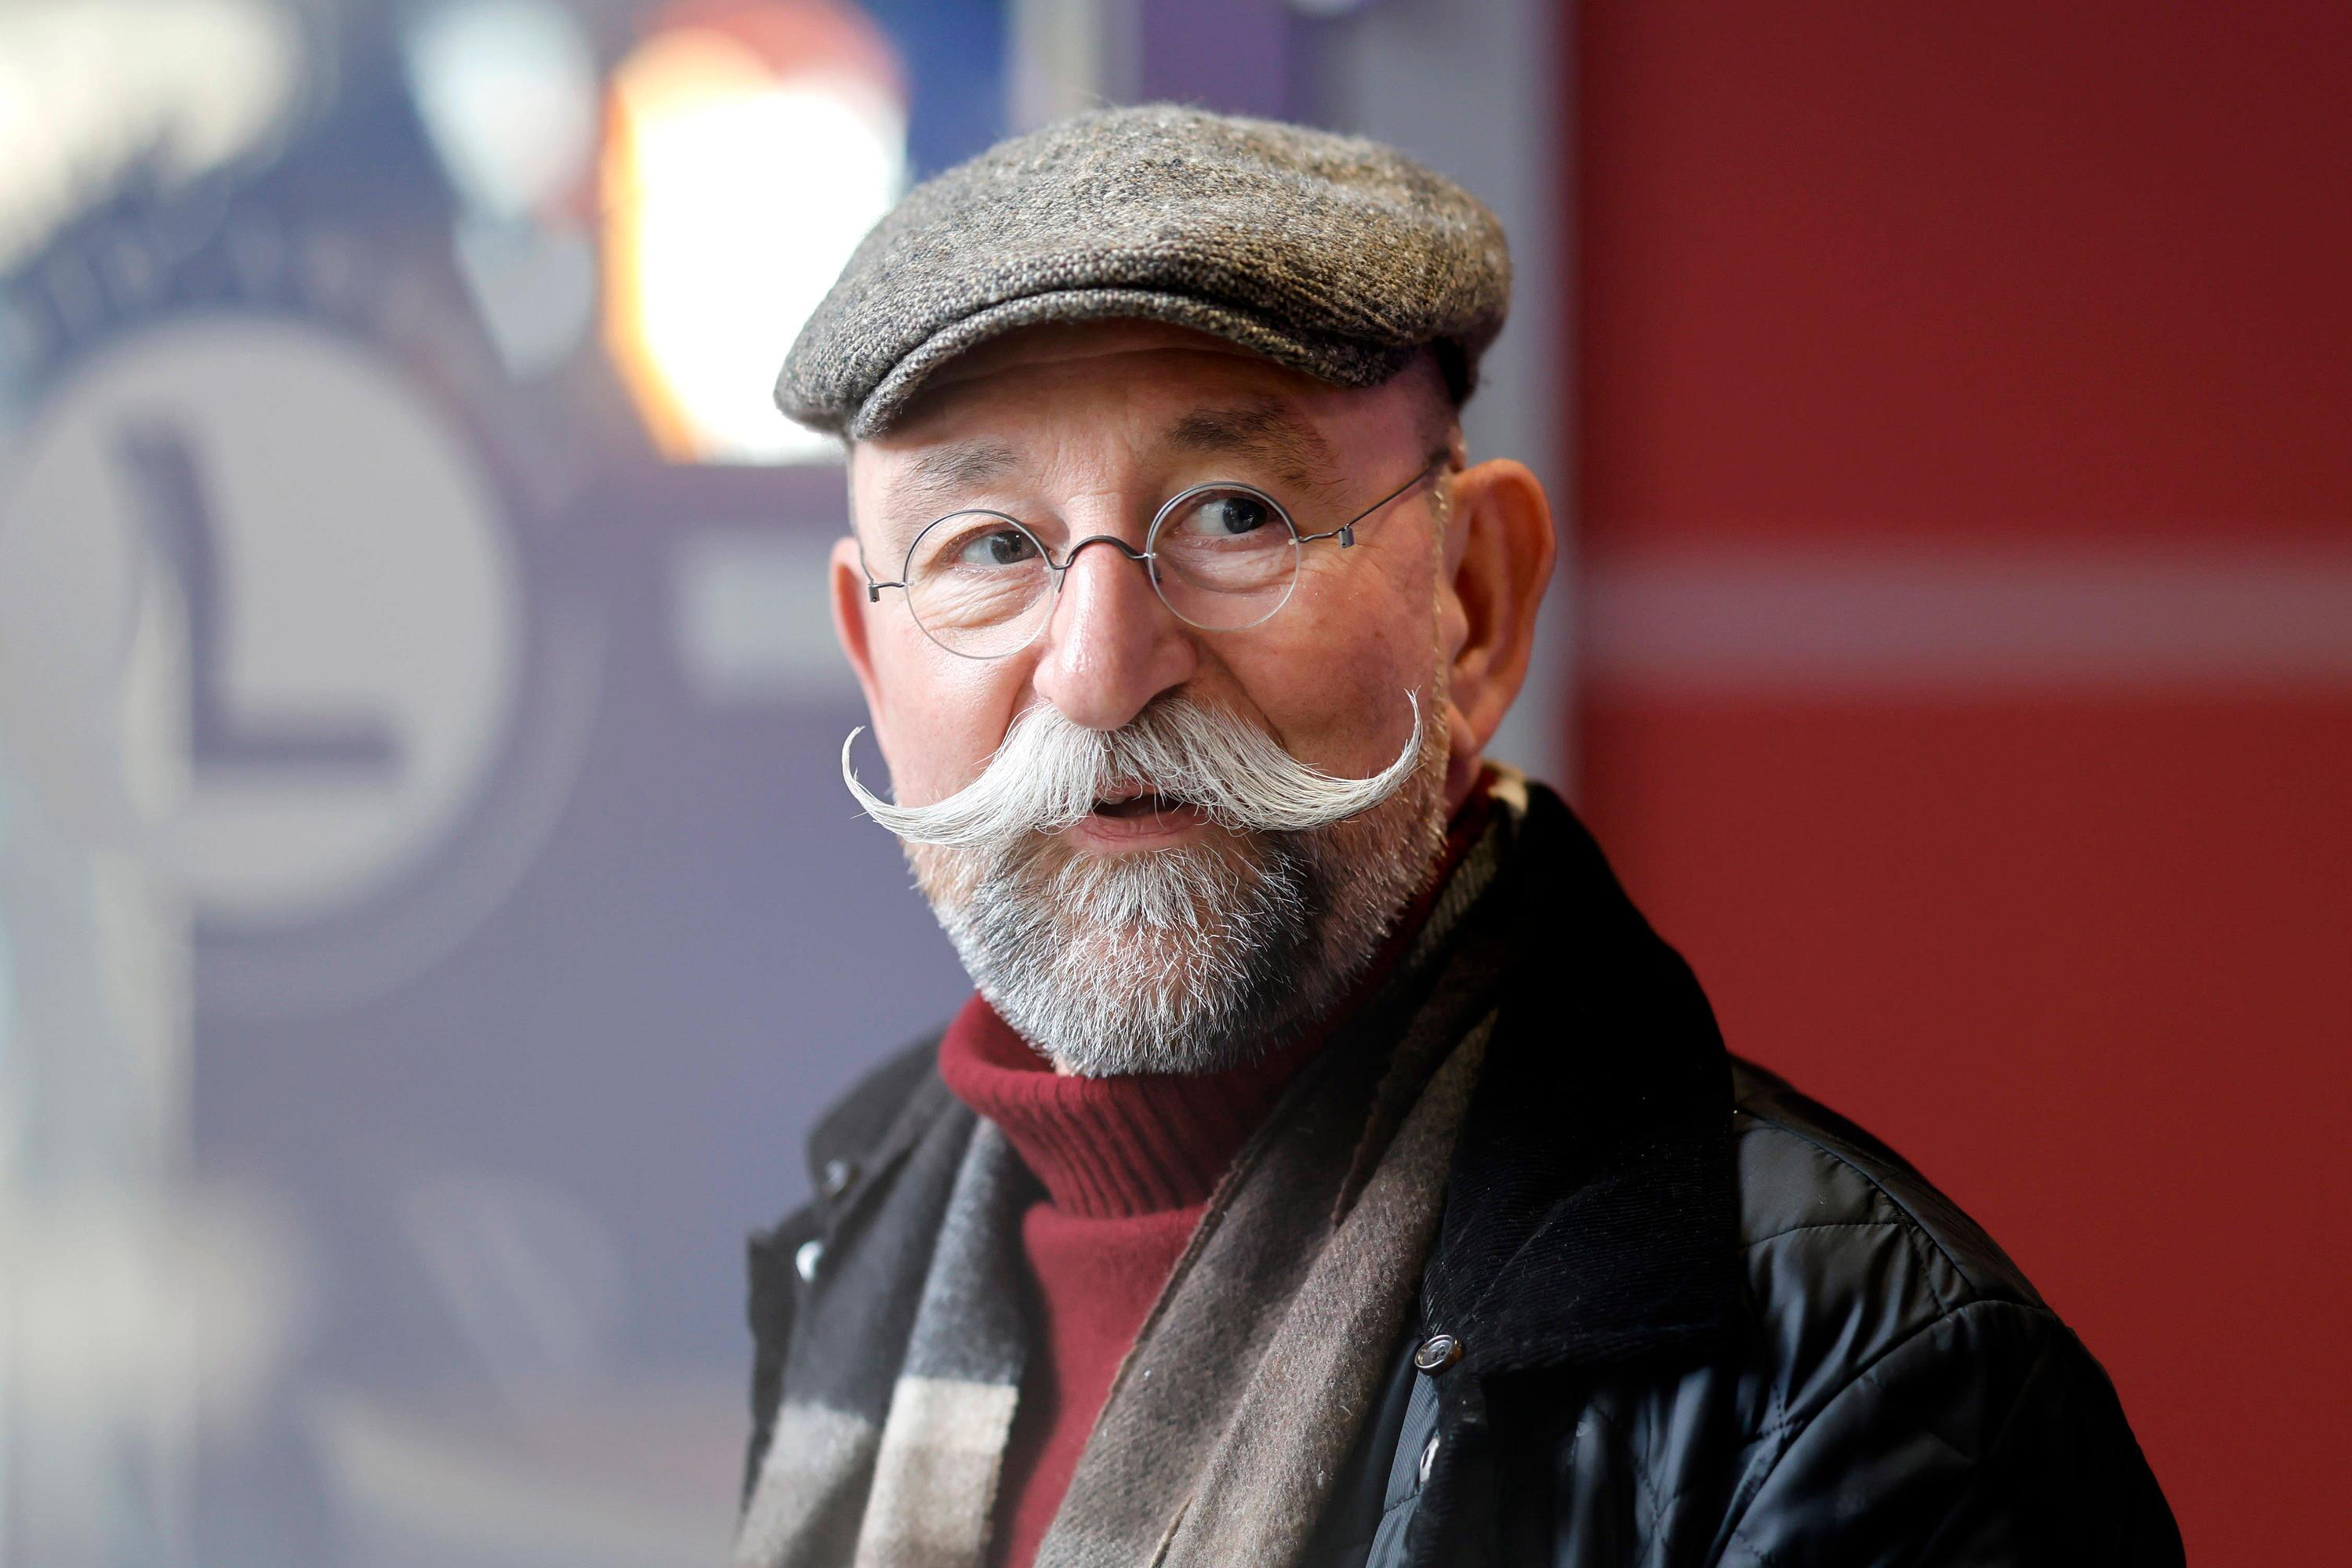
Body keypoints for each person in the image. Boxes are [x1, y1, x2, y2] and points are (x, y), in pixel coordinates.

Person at [732, 106, 2180, 1568]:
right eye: (989, 547)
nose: (1101, 671)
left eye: (1237, 516)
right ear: (873, 661)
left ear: (1473, 603)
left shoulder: (1871, 1389)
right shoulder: (849, 1249)